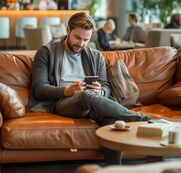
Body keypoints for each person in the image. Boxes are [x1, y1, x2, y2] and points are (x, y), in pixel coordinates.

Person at [28, 12, 150, 164]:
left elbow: (106, 86)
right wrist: (66, 91)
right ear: (67, 30)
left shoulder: (96, 56)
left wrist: (101, 91)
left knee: (112, 120)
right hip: (61, 103)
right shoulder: (46, 52)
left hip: (92, 103)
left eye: (86, 39)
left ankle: (112, 169)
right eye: (77, 38)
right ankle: (143, 120)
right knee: (86, 96)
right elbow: (38, 88)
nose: (81, 44)